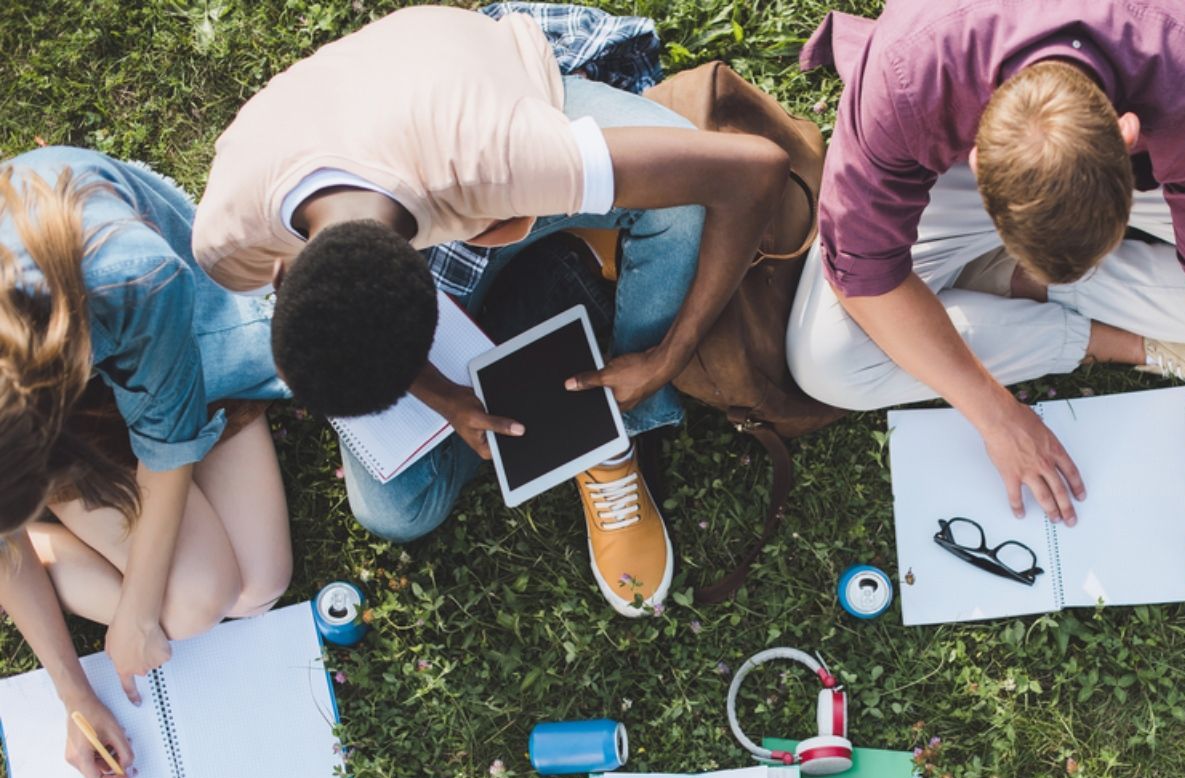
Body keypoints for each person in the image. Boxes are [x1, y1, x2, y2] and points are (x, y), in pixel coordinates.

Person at [192, 6, 787, 617]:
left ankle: (618, 428)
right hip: (382, 128)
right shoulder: (228, 241)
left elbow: (754, 171)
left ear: (436, 297)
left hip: (486, 92)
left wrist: (670, 354)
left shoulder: (504, 159)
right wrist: (442, 395)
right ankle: (559, 308)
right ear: (282, 270)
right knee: (395, 511)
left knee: (680, 212)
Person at [786, 0, 1185, 579]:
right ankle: (1090, 323)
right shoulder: (909, 70)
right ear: (973, 157)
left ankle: (1005, 284)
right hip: (962, 127)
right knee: (827, 362)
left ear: (1128, 136)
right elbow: (860, 270)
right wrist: (996, 416)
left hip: (1169, 111)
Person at [0, 147, 292, 778]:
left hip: (150, 336)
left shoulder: (130, 280)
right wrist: (75, 696)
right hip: (65, 381)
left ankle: (58, 541)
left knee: (255, 589)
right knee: (197, 605)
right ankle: (47, 547)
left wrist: (134, 611)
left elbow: (167, 441)